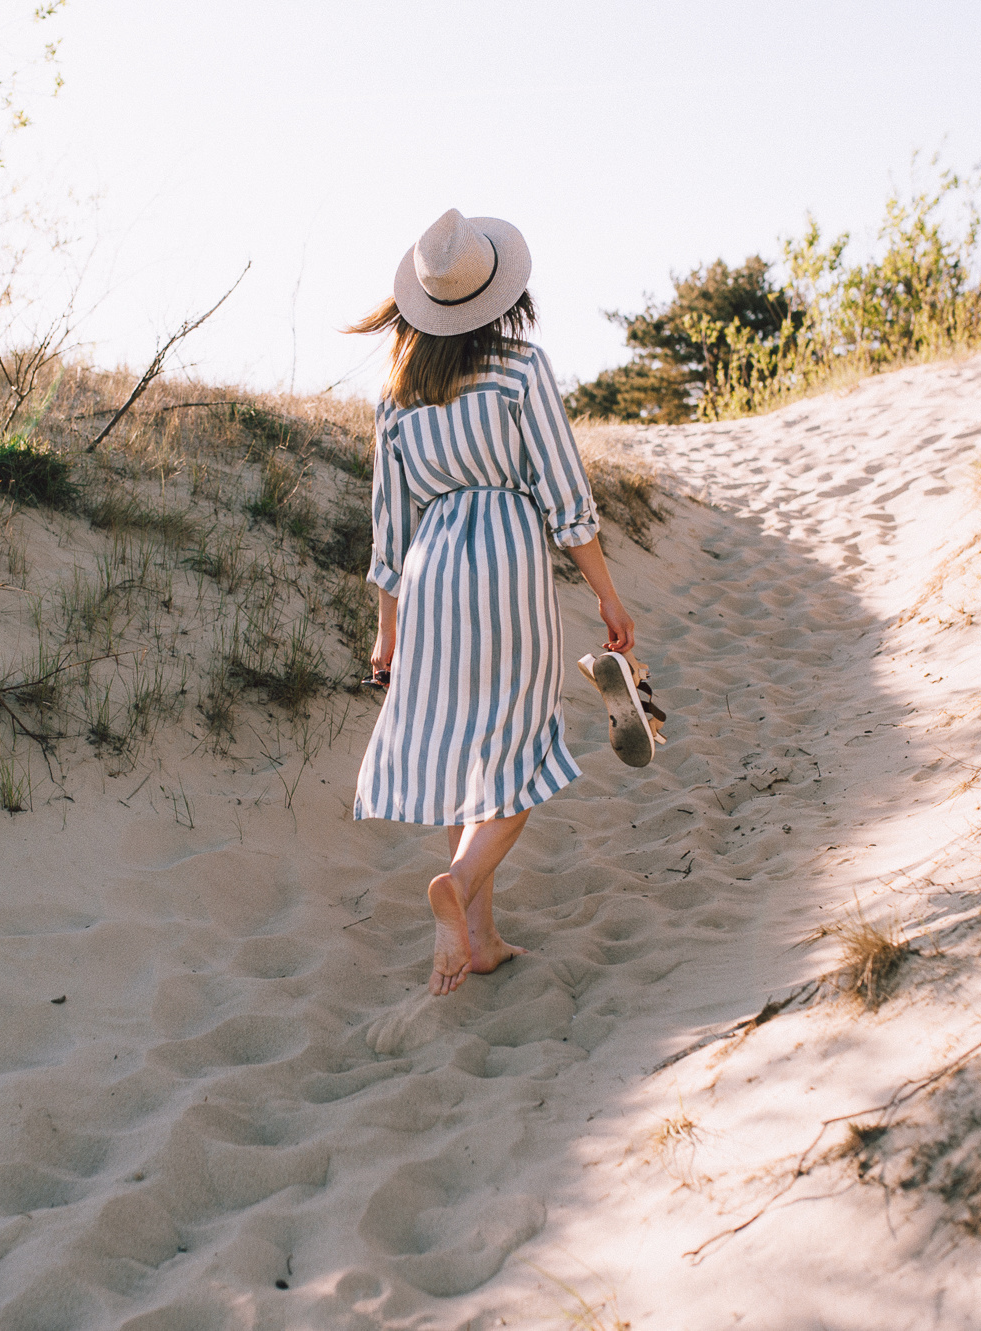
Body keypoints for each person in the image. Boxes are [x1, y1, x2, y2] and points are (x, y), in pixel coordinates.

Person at [348, 208, 641, 998]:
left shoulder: (397, 396)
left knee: (461, 754)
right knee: (523, 743)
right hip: (506, 561)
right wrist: (608, 597)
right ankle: (461, 878)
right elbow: (566, 496)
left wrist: (385, 632)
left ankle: (480, 940)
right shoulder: (520, 370)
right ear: (499, 294)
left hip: (431, 572)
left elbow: (389, 528)